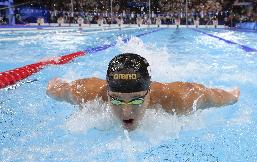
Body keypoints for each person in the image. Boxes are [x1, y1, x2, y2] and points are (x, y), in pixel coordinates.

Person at [46, 53, 240, 131]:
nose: (126, 112)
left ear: (149, 92)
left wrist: (233, 95)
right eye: (117, 100)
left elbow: (214, 95)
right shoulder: (87, 93)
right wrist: (54, 87)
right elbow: (57, 90)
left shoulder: (178, 98)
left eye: (137, 101)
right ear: (107, 91)